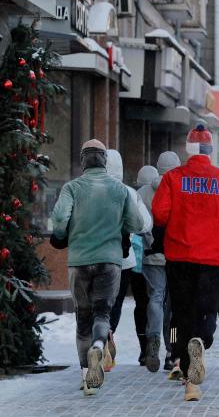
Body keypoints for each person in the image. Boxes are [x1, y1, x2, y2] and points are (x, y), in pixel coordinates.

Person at [152, 125, 219, 401]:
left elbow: (159, 214)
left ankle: (188, 376)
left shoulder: (173, 178)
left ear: (188, 149)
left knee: (182, 313)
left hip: (179, 257)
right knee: (207, 309)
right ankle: (202, 340)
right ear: (210, 151)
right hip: (213, 258)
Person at [51, 139, 146, 396]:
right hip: (110, 261)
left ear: (83, 160)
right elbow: (137, 224)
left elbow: (59, 220)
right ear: (104, 160)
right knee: (102, 313)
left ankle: (86, 376)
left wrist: (63, 233)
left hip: (80, 261)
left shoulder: (72, 188)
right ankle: (98, 344)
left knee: (83, 317)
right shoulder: (120, 190)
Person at [106, 150, 152, 371]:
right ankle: (156, 348)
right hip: (126, 259)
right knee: (125, 303)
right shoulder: (129, 193)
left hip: (91, 257)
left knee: (99, 302)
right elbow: (144, 224)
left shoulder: (85, 191)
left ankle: (102, 338)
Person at [138, 152, 181, 373]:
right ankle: (171, 350)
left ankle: (153, 340)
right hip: (175, 255)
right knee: (172, 309)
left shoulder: (143, 192)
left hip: (151, 255)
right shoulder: (180, 189)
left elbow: (137, 222)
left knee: (155, 299)